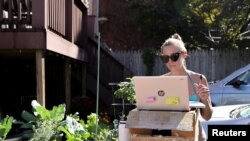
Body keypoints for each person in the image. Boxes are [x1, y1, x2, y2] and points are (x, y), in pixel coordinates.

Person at [160, 33, 213, 141]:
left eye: (174, 56)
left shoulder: (199, 79)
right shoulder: (161, 81)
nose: (170, 61)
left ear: (184, 54)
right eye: (165, 58)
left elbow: (207, 117)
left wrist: (204, 100)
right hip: (170, 137)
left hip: (196, 136)